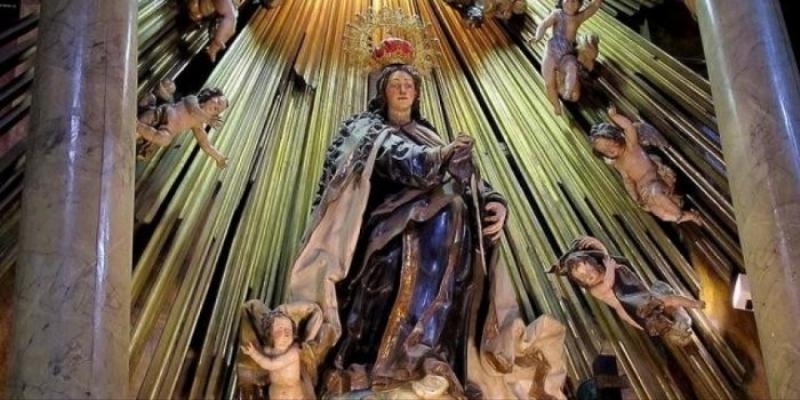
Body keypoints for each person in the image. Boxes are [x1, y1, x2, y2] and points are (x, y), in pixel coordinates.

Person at [287, 37, 565, 399]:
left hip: (439, 226)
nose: (403, 90)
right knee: (438, 219)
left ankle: (429, 355)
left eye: (409, 84)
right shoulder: (366, 129)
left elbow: (463, 179)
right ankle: (387, 362)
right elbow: (400, 159)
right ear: (382, 92)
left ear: (417, 93)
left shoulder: (428, 135)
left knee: (453, 211)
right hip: (381, 228)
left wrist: (492, 200)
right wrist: (440, 157)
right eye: (395, 84)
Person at [552, 236, 705, 345]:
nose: (588, 275)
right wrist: (610, 268)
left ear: (594, 264)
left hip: (642, 297)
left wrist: (597, 244)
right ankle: (674, 332)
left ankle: (694, 304)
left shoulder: (606, 269)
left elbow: (607, 258)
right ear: (581, 283)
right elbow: (608, 284)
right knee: (655, 324)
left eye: (588, 270)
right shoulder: (595, 289)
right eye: (583, 277)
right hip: (629, 310)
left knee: (669, 300)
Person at [590, 107, 702, 225]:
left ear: (614, 137)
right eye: (604, 151)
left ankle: (686, 214)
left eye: (608, 144)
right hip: (645, 191)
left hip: (656, 180)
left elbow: (628, 127)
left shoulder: (631, 146)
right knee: (661, 214)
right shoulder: (618, 164)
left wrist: (614, 116)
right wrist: (636, 197)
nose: (609, 150)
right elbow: (627, 181)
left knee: (657, 194)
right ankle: (683, 215)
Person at [531, 0, 603, 114]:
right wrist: (538, 36)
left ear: (579, 4)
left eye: (574, 1)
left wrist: (598, 2)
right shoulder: (557, 14)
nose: (570, 4)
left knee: (571, 67)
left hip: (566, 54)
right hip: (552, 51)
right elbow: (543, 25)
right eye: (567, 0)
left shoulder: (578, 18)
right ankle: (556, 105)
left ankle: (568, 91)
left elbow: (593, 8)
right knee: (549, 83)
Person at [136, 87, 229, 168]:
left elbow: (205, 144)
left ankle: (138, 126)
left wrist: (219, 157)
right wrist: (208, 120)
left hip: (167, 130)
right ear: (210, 95)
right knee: (147, 118)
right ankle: (139, 123)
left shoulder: (198, 125)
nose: (216, 107)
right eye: (218, 102)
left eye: (218, 110)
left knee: (165, 140)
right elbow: (194, 111)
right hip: (163, 113)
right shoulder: (193, 99)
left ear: (214, 116)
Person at [240, 310, 305, 400]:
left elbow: (271, 364)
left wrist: (254, 353)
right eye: (279, 330)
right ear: (270, 334)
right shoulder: (268, 351)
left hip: (292, 394)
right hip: (275, 393)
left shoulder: (293, 353)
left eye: (288, 331)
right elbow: (262, 356)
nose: (285, 334)